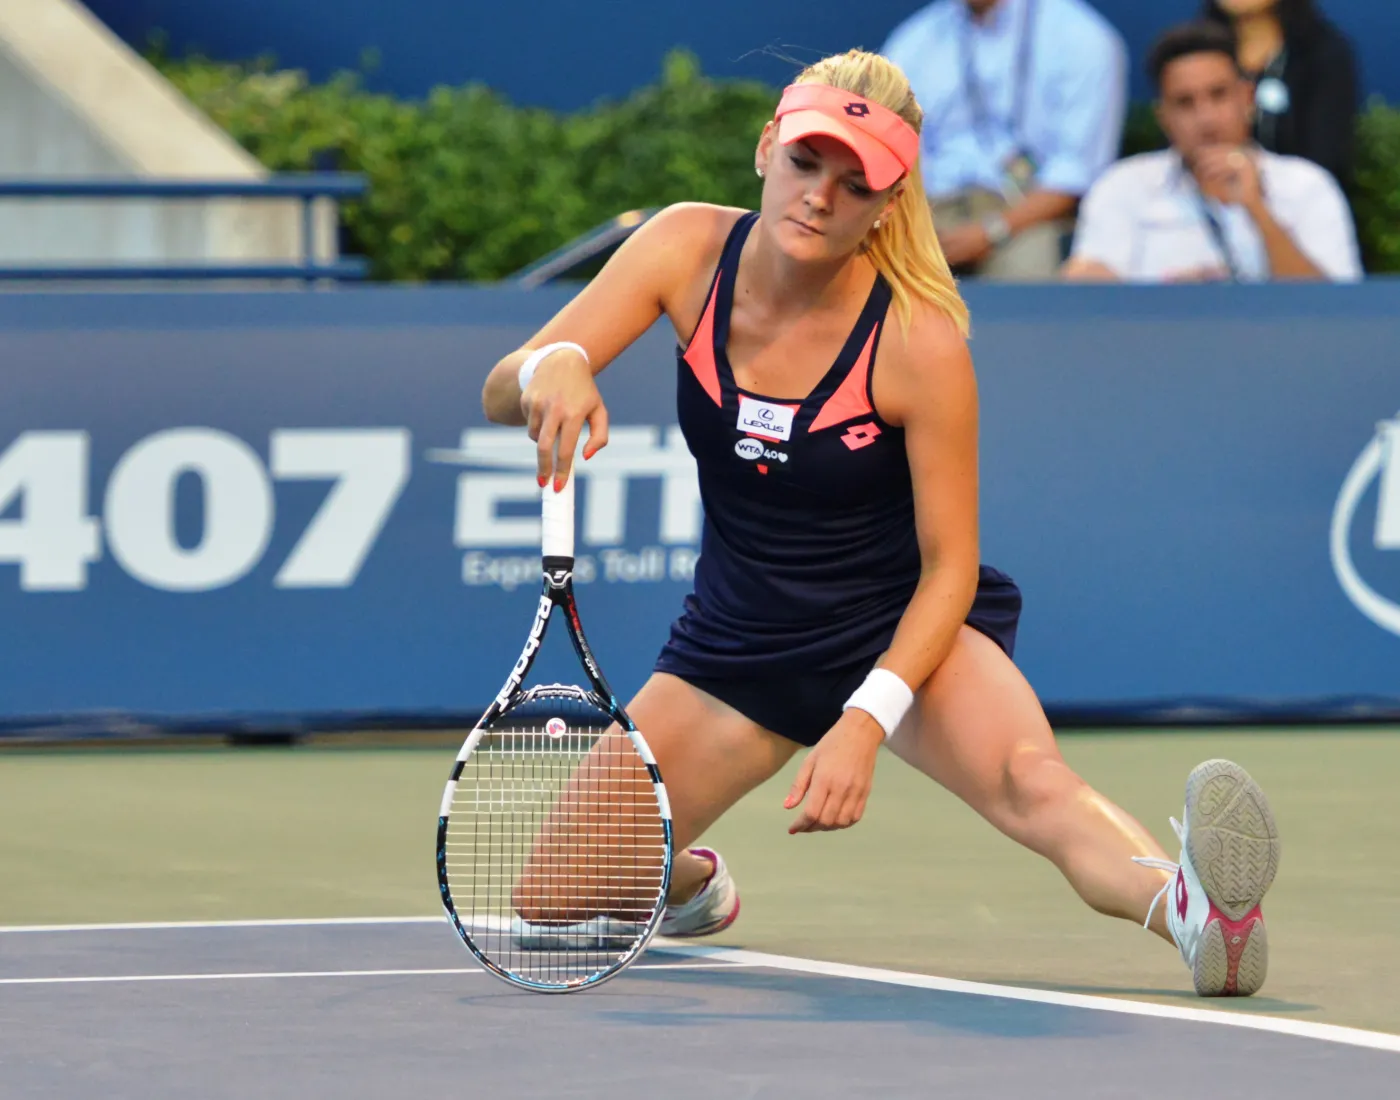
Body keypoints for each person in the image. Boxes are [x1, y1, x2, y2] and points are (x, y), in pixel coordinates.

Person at [482, 49, 1281, 997]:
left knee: (1032, 781)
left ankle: (1194, 914)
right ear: (766, 147)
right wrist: (554, 364)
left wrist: (865, 719)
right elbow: (504, 386)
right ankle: (679, 878)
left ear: (889, 205)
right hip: (739, 646)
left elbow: (952, 568)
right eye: (808, 162)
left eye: (857, 182)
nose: (822, 196)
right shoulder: (683, 250)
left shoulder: (919, 341)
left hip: (907, 628)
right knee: (547, 900)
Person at [1062, 22, 1361, 284]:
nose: (1206, 118)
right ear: (1163, 117)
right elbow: (1095, 294)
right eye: (1185, 103)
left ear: (1247, 98)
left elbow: (1332, 312)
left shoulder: (1307, 186)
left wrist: (1258, 210)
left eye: (1218, 95)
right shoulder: (1123, 187)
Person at [879, 0, 1128, 280]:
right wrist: (914, 224)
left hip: (1026, 213)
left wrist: (992, 231)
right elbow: (890, 152)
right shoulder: (915, 40)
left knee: (1027, 269)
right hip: (929, 207)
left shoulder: (1082, 37)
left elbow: (1075, 175)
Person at [1201, 0, 1360, 191]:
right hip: (1199, 206)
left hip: (1296, 206)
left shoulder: (1322, 54)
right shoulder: (1192, 54)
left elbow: (1324, 160)